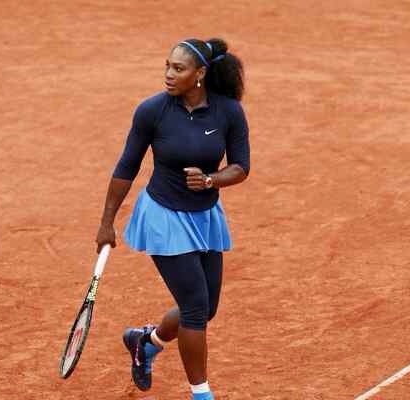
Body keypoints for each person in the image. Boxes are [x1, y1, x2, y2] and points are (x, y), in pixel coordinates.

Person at [95, 37, 250, 400]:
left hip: (205, 216)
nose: (168, 74)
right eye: (167, 66)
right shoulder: (152, 111)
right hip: (163, 216)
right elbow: (127, 166)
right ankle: (202, 394)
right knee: (195, 308)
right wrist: (106, 222)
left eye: (178, 69)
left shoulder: (228, 111)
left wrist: (211, 180)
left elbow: (241, 167)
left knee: (207, 308)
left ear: (200, 74)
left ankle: (145, 342)